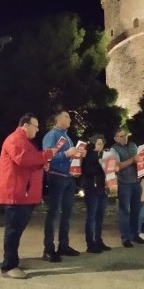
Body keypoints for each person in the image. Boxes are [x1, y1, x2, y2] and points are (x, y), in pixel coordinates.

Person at [0, 113, 57, 279]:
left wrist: (42, 163)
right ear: (25, 125)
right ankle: (9, 266)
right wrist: (47, 154)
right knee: (13, 231)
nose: (37, 130)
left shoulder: (24, 141)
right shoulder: (15, 139)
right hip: (17, 194)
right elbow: (23, 159)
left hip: (24, 194)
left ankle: (12, 262)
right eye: (35, 126)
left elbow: (29, 161)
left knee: (16, 230)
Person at [42, 110, 84, 262]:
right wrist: (67, 154)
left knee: (67, 214)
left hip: (68, 178)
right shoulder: (51, 135)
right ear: (57, 119)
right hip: (56, 177)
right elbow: (47, 158)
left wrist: (78, 155)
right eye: (66, 116)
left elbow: (69, 156)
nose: (70, 119)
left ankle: (63, 245)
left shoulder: (67, 137)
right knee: (53, 213)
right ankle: (48, 248)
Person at [110, 128, 144, 247]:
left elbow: (139, 161)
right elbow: (117, 166)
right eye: (121, 136)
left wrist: (141, 160)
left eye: (125, 135)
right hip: (124, 182)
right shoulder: (113, 149)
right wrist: (132, 160)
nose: (124, 137)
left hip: (136, 181)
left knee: (136, 210)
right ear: (115, 138)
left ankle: (134, 234)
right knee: (125, 211)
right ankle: (125, 237)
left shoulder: (133, 145)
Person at [80, 134, 111, 253]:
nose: (101, 145)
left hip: (102, 188)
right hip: (92, 188)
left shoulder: (103, 155)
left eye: (102, 143)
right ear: (93, 144)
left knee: (100, 216)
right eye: (98, 143)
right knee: (91, 216)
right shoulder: (89, 155)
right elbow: (87, 171)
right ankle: (90, 243)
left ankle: (98, 240)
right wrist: (100, 164)